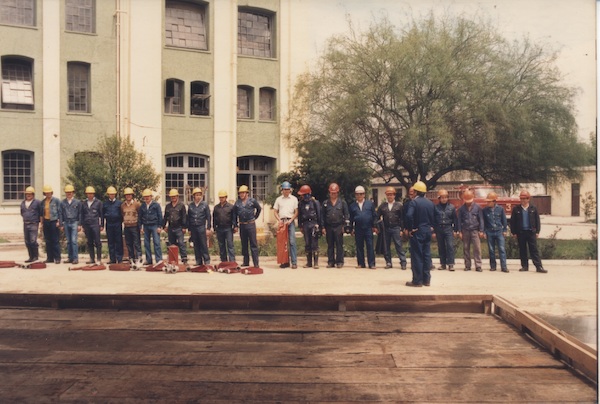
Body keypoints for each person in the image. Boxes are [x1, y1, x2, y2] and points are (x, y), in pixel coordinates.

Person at [405, 181, 435, 287]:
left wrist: (411, 228)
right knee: (426, 255)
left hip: (418, 231)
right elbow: (434, 217)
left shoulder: (414, 202)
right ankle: (426, 280)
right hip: (427, 231)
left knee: (417, 255)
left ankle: (417, 280)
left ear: (416, 191)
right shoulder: (430, 203)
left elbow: (409, 216)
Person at [510, 190, 547, 273]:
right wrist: (514, 232)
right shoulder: (516, 209)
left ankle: (539, 266)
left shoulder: (533, 208)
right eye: (521, 199)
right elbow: (513, 221)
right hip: (521, 232)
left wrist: (537, 231)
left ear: (528, 199)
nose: (523, 200)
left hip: (531, 232)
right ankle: (524, 266)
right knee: (522, 250)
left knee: (534, 249)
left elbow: (537, 220)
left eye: (524, 199)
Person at [376, 186, 407, 269]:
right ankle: (388, 262)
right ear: (386, 195)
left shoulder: (399, 205)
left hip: (396, 228)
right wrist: (378, 226)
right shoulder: (383, 206)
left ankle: (403, 262)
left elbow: (402, 218)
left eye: (391, 194)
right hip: (386, 228)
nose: (390, 196)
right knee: (386, 246)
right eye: (388, 194)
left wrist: (401, 229)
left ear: (394, 195)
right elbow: (377, 217)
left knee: (398, 245)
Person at [349, 185, 378, 269]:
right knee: (359, 246)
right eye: (357, 194)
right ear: (355, 195)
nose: (359, 196)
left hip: (368, 228)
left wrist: (374, 226)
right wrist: (351, 229)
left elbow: (374, 215)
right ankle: (361, 263)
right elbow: (351, 218)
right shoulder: (352, 206)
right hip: (358, 228)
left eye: (361, 194)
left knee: (370, 246)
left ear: (364, 194)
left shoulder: (370, 204)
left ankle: (371, 264)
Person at [322, 183, 349, 268]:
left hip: (339, 226)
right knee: (330, 245)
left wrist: (344, 226)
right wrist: (323, 227)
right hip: (329, 226)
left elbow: (347, 215)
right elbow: (322, 216)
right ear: (329, 193)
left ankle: (340, 262)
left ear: (337, 193)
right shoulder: (325, 203)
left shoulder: (342, 202)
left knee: (339, 244)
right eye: (332, 193)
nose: (333, 194)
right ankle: (331, 262)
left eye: (335, 193)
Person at [233, 185, 261, 267]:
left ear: (247, 193)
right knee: (244, 244)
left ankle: (256, 263)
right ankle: (246, 261)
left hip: (251, 224)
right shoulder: (237, 203)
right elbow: (234, 214)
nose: (241, 194)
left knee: (253, 244)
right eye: (240, 193)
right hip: (242, 225)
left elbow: (259, 209)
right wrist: (235, 225)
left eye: (243, 193)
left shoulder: (252, 201)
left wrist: (255, 217)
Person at [273, 181, 299, 268]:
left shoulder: (294, 199)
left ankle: (294, 262)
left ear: (290, 190)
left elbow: (296, 212)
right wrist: (279, 219)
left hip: (290, 221)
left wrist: (291, 220)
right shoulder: (278, 199)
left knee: (292, 241)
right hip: (282, 222)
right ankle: (284, 261)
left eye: (288, 189)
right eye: (285, 190)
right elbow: (275, 211)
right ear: (282, 190)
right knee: (282, 243)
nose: (286, 191)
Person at [456, 189, 484, 272]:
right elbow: (459, 220)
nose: (468, 202)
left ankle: (478, 265)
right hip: (465, 230)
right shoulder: (461, 209)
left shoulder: (478, 207)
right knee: (466, 248)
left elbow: (481, 219)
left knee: (477, 248)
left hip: (475, 230)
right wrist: (459, 231)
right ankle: (467, 265)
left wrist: (481, 230)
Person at [483, 192, 509, 273]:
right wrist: (484, 232)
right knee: (491, 250)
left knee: (501, 249)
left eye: (489, 201)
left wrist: (505, 230)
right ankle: (493, 266)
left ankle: (504, 267)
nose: (487, 203)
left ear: (494, 201)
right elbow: (484, 222)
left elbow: (504, 220)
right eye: (487, 201)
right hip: (489, 231)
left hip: (499, 231)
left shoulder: (500, 209)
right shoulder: (485, 210)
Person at [297, 185, 321, 268]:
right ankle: (309, 262)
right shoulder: (301, 203)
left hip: (313, 223)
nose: (302, 196)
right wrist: (300, 225)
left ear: (307, 194)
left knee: (314, 243)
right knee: (307, 243)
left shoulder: (315, 202)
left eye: (303, 194)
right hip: (306, 224)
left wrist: (319, 225)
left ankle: (316, 263)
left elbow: (319, 214)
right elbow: (300, 215)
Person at [433, 189, 457, 271]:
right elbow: (434, 220)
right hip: (439, 228)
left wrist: (455, 230)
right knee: (441, 246)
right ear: (439, 198)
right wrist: (433, 231)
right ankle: (443, 264)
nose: (444, 199)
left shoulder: (452, 207)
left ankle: (451, 264)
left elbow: (455, 219)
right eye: (442, 197)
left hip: (448, 228)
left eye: (445, 197)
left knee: (450, 245)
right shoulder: (435, 208)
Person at [163, 188, 188, 263]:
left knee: (181, 243)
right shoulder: (168, 206)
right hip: (171, 228)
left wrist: (184, 227)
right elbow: (165, 217)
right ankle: (172, 259)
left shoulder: (181, 205)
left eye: (174, 196)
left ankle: (184, 259)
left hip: (179, 228)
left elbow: (184, 216)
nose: (173, 198)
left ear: (177, 196)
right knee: (171, 244)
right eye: (172, 196)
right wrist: (164, 226)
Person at [188, 187, 211, 266]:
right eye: (196, 195)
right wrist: (189, 229)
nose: (198, 197)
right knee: (196, 244)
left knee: (203, 244)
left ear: (201, 196)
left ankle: (206, 260)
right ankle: (198, 260)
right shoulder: (191, 205)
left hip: (201, 226)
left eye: (199, 195)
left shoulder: (205, 205)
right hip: (193, 227)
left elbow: (208, 216)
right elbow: (189, 217)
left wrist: (208, 228)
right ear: (193, 196)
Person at [80, 186, 103, 264]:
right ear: (86, 194)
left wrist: (101, 225)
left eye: (91, 193)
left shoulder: (98, 202)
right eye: (88, 194)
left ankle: (99, 259)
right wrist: (82, 225)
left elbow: (101, 215)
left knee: (97, 242)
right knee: (89, 242)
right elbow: (82, 215)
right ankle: (92, 259)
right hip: (87, 225)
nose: (90, 195)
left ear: (93, 194)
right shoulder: (83, 203)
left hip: (95, 225)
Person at [139, 188, 163, 265]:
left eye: (148, 196)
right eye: (145, 197)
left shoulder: (156, 205)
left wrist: (160, 226)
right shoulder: (142, 206)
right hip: (146, 226)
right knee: (146, 243)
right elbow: (140, 217)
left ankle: (158, 259)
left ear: (151, 196)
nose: (146, 198)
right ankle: (148, 260)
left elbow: (160, 216)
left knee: (156, 242)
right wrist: (141, 227)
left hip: (154, 226)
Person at [59, 184, 81, 264]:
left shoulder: (77, 202)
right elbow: (60, 213)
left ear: (73, 193)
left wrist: (79, 224)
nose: (69, 194)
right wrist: (61, 224)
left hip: (74, 222)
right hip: (66, 223)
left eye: (70, 192)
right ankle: (70, 258)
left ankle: (75, 258)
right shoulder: (62, 203)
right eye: (67, 192)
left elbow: (80, 213)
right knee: (68, 241)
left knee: (74, 240)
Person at [213, 189, 236, 262]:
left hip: (228, 228)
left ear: (226, 197)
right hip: (219, 228)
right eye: (220, 197)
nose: (221, 199)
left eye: (223, 197)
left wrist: (235, 226)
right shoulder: (216, 207)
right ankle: (224, 261)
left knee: (230, 245)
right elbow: (214, 218)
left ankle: (232, 261)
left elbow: (234, 217)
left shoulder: (231, 207)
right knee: (221, 245)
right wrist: (214, 228)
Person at [40, 185, 61, 264]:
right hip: (46, 221)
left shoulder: (56, 201)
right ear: (44, 193)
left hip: (54, 221)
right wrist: (41, 224)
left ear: (51, 193)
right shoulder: (43, 202)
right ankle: (50, 258)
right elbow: (41, 214)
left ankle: (57, 258)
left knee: (55, 240)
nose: (48, 194)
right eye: (46, 193)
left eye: (49, 192)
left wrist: (59, 222)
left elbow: (60, 212)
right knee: (48, 240)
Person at [20, 186, 41, 263]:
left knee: (33, 240)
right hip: (25, 223)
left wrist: (40, 222)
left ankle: (35, 256)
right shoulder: (23, 203)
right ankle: (30, 257)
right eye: (27, 194)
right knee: (27, 241)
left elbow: (40, 213)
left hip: (33, 224)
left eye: (30, 194)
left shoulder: (37, 202)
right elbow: (22, 213)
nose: (28, 195)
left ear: (33, 194)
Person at [103, 186, 123, 264]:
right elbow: (103, 213)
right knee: (110, 242)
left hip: (117, 223)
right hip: (109, 223)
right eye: (110, 194)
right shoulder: (105, 204)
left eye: (113, 194)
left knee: (118, 241)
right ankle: (112, 259)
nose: (112, 195)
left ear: (115, 194)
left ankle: (119, 258)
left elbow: (122, 213)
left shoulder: (119, 203)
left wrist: (120, 221)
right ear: (108, 195)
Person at [121, 187, 142, 263]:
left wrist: (140, 226)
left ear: (132, 195)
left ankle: (139, 257)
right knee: (128, 243)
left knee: (136, 242)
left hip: (135, 226)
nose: (128, 196)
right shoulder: (123, 205)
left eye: (129, 195)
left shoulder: (137, 204)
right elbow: (122, 215)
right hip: (127, 226)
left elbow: (140, 215)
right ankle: (131, 257)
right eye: (127, 195)